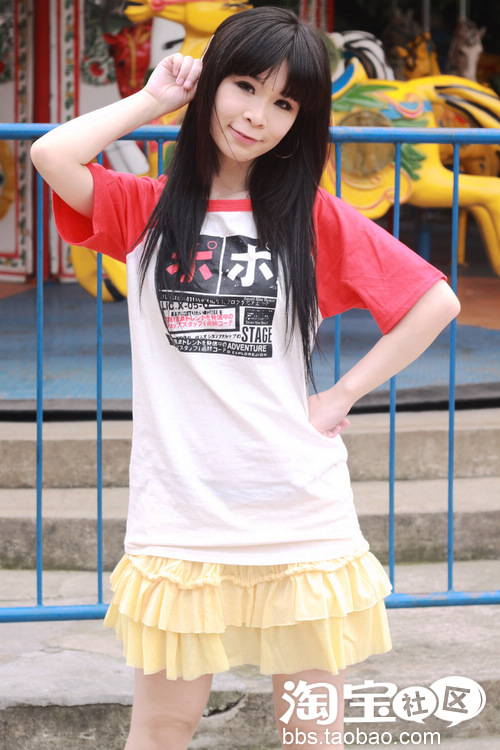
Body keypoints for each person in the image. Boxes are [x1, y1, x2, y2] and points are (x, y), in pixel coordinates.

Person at [31, 6, 460, 749]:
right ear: (212, 86)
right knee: (162, 727)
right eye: (245, 87)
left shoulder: (311, 218)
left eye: (285, 103)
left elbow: (435, 302)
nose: (258, 116)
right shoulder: (145, 209)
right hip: (181, 511)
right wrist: (154, 99)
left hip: (296, 507)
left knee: (310, 731)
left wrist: (339, 396)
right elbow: (51, 154)